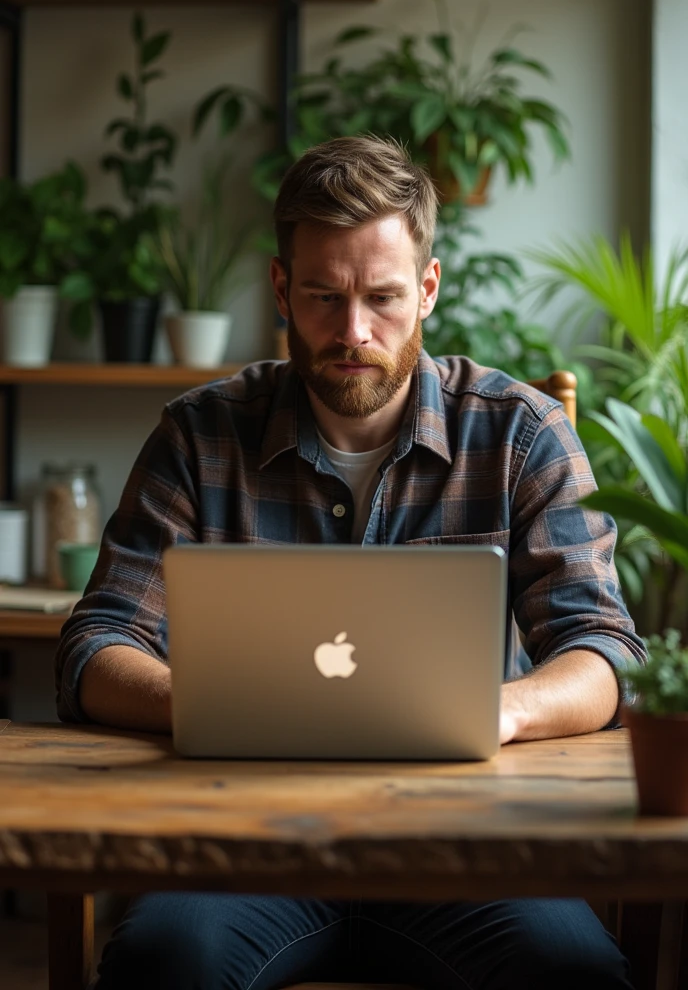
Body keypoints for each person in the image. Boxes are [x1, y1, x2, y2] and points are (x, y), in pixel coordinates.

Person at [56, 136, 644, 990]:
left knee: (575, 974)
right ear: (282, 290)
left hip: (467, 847)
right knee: (159, 965)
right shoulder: (199, 433)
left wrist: (495, 712)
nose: (353, 332)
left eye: (384, 298)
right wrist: (218, 708)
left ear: (430, 289)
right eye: (325, 298)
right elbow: (94, 649)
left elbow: (607, 650)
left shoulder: (520, 433)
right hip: (246, 849)